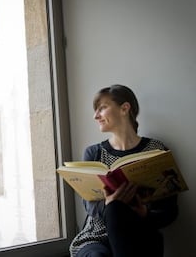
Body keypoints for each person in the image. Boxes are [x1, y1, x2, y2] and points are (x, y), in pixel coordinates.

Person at [69, 84, 178, 257]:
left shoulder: (156, 149)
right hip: (97, 237)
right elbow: (89, 205)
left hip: (140, 231)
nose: (95, 115)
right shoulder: (94, 152)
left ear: (124, 108)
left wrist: (145, 213)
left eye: (102, 108)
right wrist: (110, 204)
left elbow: (170, 211)